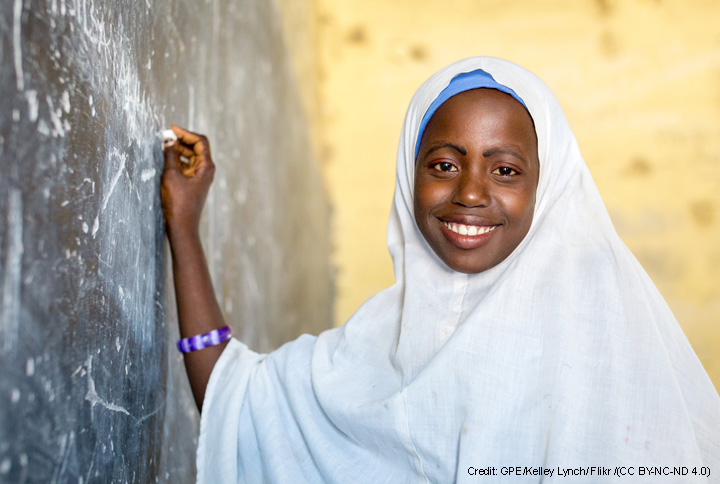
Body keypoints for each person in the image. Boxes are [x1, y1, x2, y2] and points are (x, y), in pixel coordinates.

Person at [161, 57, 720, 483]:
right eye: (444, 164)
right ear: (410, 177)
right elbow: (243, 404)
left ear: (546, 189)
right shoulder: (383, 340)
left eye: (504, 169)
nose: (470, 193)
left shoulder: (605, 348)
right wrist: (184, 229)